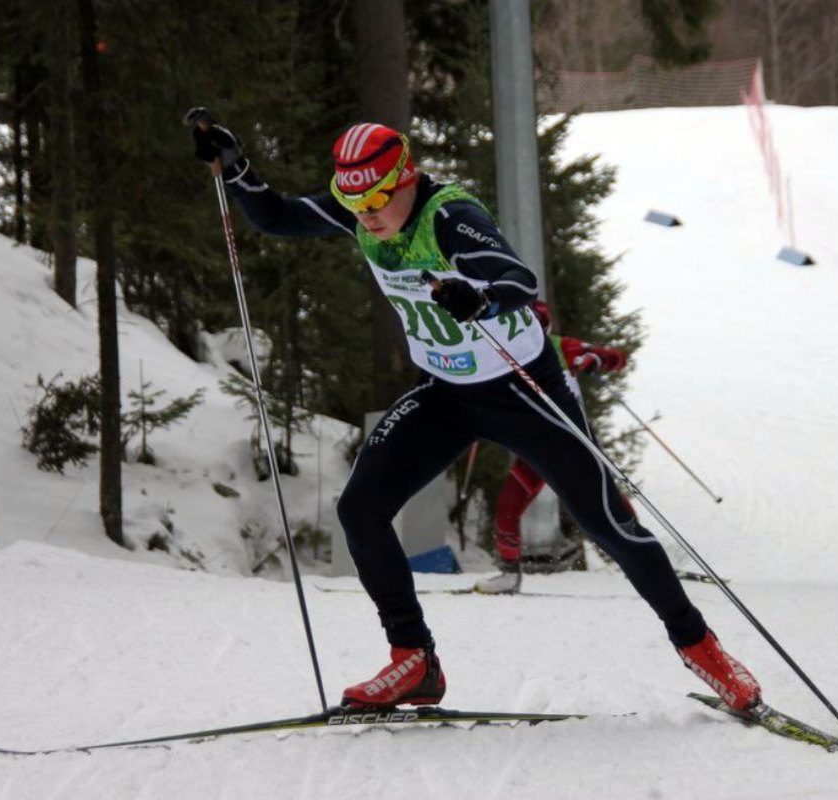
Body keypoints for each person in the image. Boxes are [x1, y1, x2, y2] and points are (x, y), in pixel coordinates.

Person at [190, 115, 762, 713]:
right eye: (351, 199)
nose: (366, 213)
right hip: (445, 393)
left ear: (405, 177)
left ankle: (704, 650)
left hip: (523, 390)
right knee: (360, 509)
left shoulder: (449, 217)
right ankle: (413, 660)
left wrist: (480, 297)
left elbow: (517, 277)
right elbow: (277, 216)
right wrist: (236, 167)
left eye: (378, 197)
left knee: (609, 526)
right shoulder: (359, 211)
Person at [473, 301, 629, 595]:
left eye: (538, 330)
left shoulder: (561, 346)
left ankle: (641, 560)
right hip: (535, 445)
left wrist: (597, 360)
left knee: (606, 502)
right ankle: (509, 575)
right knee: (508, 507)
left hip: (572, 441)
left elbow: (614, 357)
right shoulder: (504, 354)